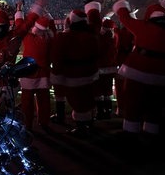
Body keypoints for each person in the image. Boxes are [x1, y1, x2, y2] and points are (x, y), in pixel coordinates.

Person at [112, 0, 165, 137]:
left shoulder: (143, 26)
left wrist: (122, 4)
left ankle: (131, 132)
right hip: (162, 73)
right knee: (155, 104)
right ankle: (151, 131)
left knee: (133, 101)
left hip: (138, 71)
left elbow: (125, 18)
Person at [51, 9, 99, 138]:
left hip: (72, 74)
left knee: (77, 101)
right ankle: (90, 124)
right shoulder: (92, 36)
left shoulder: (64, 37)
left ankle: (81, 128)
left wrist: (56, 73)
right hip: (90, 72)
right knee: (88, 98)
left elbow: (57, 57)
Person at [19, 16, 55, 133]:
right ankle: (44, 122)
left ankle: (28, 124)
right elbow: (53, 29)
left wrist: (19, 11)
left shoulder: (29, 38)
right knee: (44, 101)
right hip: (44, 74)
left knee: (27, 103)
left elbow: (20, 26)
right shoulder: (49, 40)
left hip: (29, 74)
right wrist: (49, 18)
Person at [94, 18, 118, 120]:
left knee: (98, 91)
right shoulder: (114, 37)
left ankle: (100, 112)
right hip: (111, 67)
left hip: (100, 67)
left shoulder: (101, 37)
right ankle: (108, 112)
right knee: (108, 91)